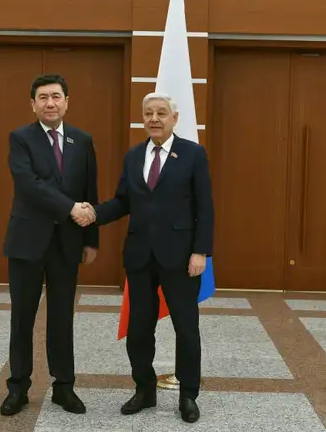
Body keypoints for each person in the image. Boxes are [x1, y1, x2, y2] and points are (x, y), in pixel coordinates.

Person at [76, 92, 213, 423]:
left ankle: (188, 395)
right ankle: (144, 389)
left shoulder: (193, 154)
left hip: (181, 257)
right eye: (148, 113)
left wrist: (200, 251)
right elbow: (123, 201)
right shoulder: (134, 155)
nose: (154, 118)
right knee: (138, 328)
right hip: (140, 257)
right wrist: (94, 213)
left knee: (186, 329)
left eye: (161, 113)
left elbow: (205, 207)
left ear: (174, 118)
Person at [0, 74, 98, 416]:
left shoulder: (81, 140)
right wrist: (70, 208)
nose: (50, 103)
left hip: (67, 243)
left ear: (67, 102)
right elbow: (28, 184)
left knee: (62, 318)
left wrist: (91, 239)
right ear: (33, 104)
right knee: (22, 318)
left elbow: (90, 189)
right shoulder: (21, 138)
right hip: (27, 242)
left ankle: (64, 387)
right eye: (43, 97)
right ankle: (18, 387)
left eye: (56, 96)